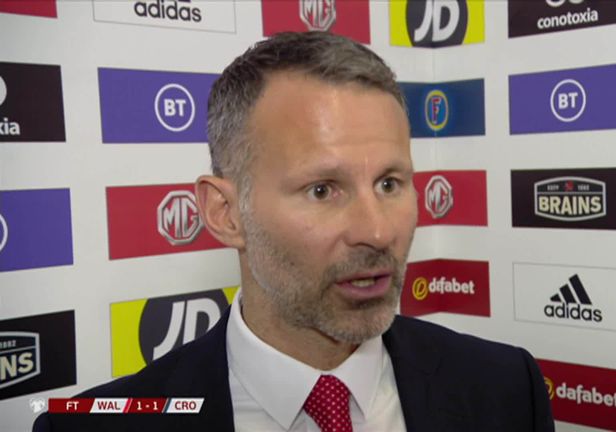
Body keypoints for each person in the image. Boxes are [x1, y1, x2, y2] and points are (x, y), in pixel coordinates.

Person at [34, 31, 554, 432]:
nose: (376, 231)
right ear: (225, 213)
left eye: (390, 183)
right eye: (322, 190)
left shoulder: (507, 388)